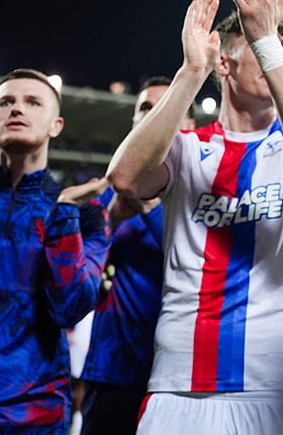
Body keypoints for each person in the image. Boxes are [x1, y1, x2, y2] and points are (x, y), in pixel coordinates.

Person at [107, 0, 283, 434]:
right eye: (259, 46)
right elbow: (125, 179)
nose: (276, 55)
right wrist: (192, 71)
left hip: (274, 382)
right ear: (225, 64)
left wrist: (268, 40)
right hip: (178, 382)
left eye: (282, 48)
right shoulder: (189, 149)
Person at [0, 68, 105, 433]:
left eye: (32, 102)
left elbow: (70, 307)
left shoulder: (84, 213)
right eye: (6, 102)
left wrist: (62, 219)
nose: (17, 109)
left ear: (56, 125)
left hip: (37, 414)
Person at [78, 76, 194, 435]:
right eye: (145, 107)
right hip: (110, 370)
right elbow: (75, 282)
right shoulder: (102, 203)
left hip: (173, 374)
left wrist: (148, 206)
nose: (154, 113)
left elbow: (193, 261)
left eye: (165, 105)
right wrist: (110, 222)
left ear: (189, 126)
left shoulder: (199, 201)